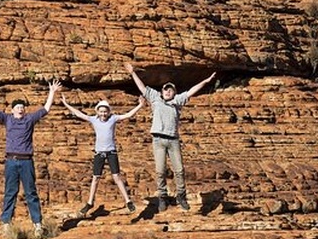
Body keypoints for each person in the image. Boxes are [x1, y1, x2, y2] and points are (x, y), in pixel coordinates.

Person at [125, 63, 216, 211]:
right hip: (158, 140)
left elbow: (192, 91)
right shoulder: (155, 98)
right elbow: (142, 88)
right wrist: (133, 73)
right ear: (162, 91)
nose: (168, 92)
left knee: (179, 170)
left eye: (171, 90)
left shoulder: (177, 101)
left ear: (174, 93)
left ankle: (181, 196)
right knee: (160, 171)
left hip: (173, 140)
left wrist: (206, 81)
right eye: (166, 89)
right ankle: (162, 197)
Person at [0, 79, 61, 239]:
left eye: (22, 107)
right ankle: (6, 223)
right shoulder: (7, 119)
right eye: (17, 107)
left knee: (31, 192)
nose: (20, 109)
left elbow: (45, 109)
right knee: (10, 192)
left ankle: (37, 224)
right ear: (12, 110)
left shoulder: (29, 119)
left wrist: (52, 92)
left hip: (26, 161)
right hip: (11, 160)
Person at [61, 94, 146, 216]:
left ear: (108, 111)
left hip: (111, 152)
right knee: (96, 178)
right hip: (99, 153)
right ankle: (90, 203)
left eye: (105, 111)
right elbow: (79, 114)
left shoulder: (113, 118)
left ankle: (128, 201)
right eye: (101, 112)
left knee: (116, 176)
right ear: (97, 111)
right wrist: (66, 104)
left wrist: (140, 105)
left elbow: (128, 115)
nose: (103, 114)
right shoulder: (94, 119)